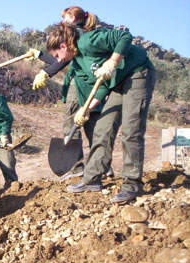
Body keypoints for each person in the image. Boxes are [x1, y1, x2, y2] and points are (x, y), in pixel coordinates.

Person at [46, 23, 156, 202]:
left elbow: (124, 37)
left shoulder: (88, 41)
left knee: (131, 129)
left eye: (57, 55)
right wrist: (86, 108)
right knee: (102, 129)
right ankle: (91, 178)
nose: (58, 60)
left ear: (64, 46)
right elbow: (103, 83)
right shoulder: (79, 62)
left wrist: (113, 61)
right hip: (117, 84)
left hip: (138, 73)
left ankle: (132, 184)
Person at [24, 7, 112, 180]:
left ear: (72, 17)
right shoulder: (85, 34)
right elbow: (62, 59)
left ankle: (75, 167)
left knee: (71, 123)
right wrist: (40, 55)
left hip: (78, 85)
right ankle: (103, 166)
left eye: (64, 18)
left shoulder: (75, 34)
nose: (62, 21)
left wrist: (46, 73)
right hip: (91, 85)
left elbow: (61, 61)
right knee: (91, 124)